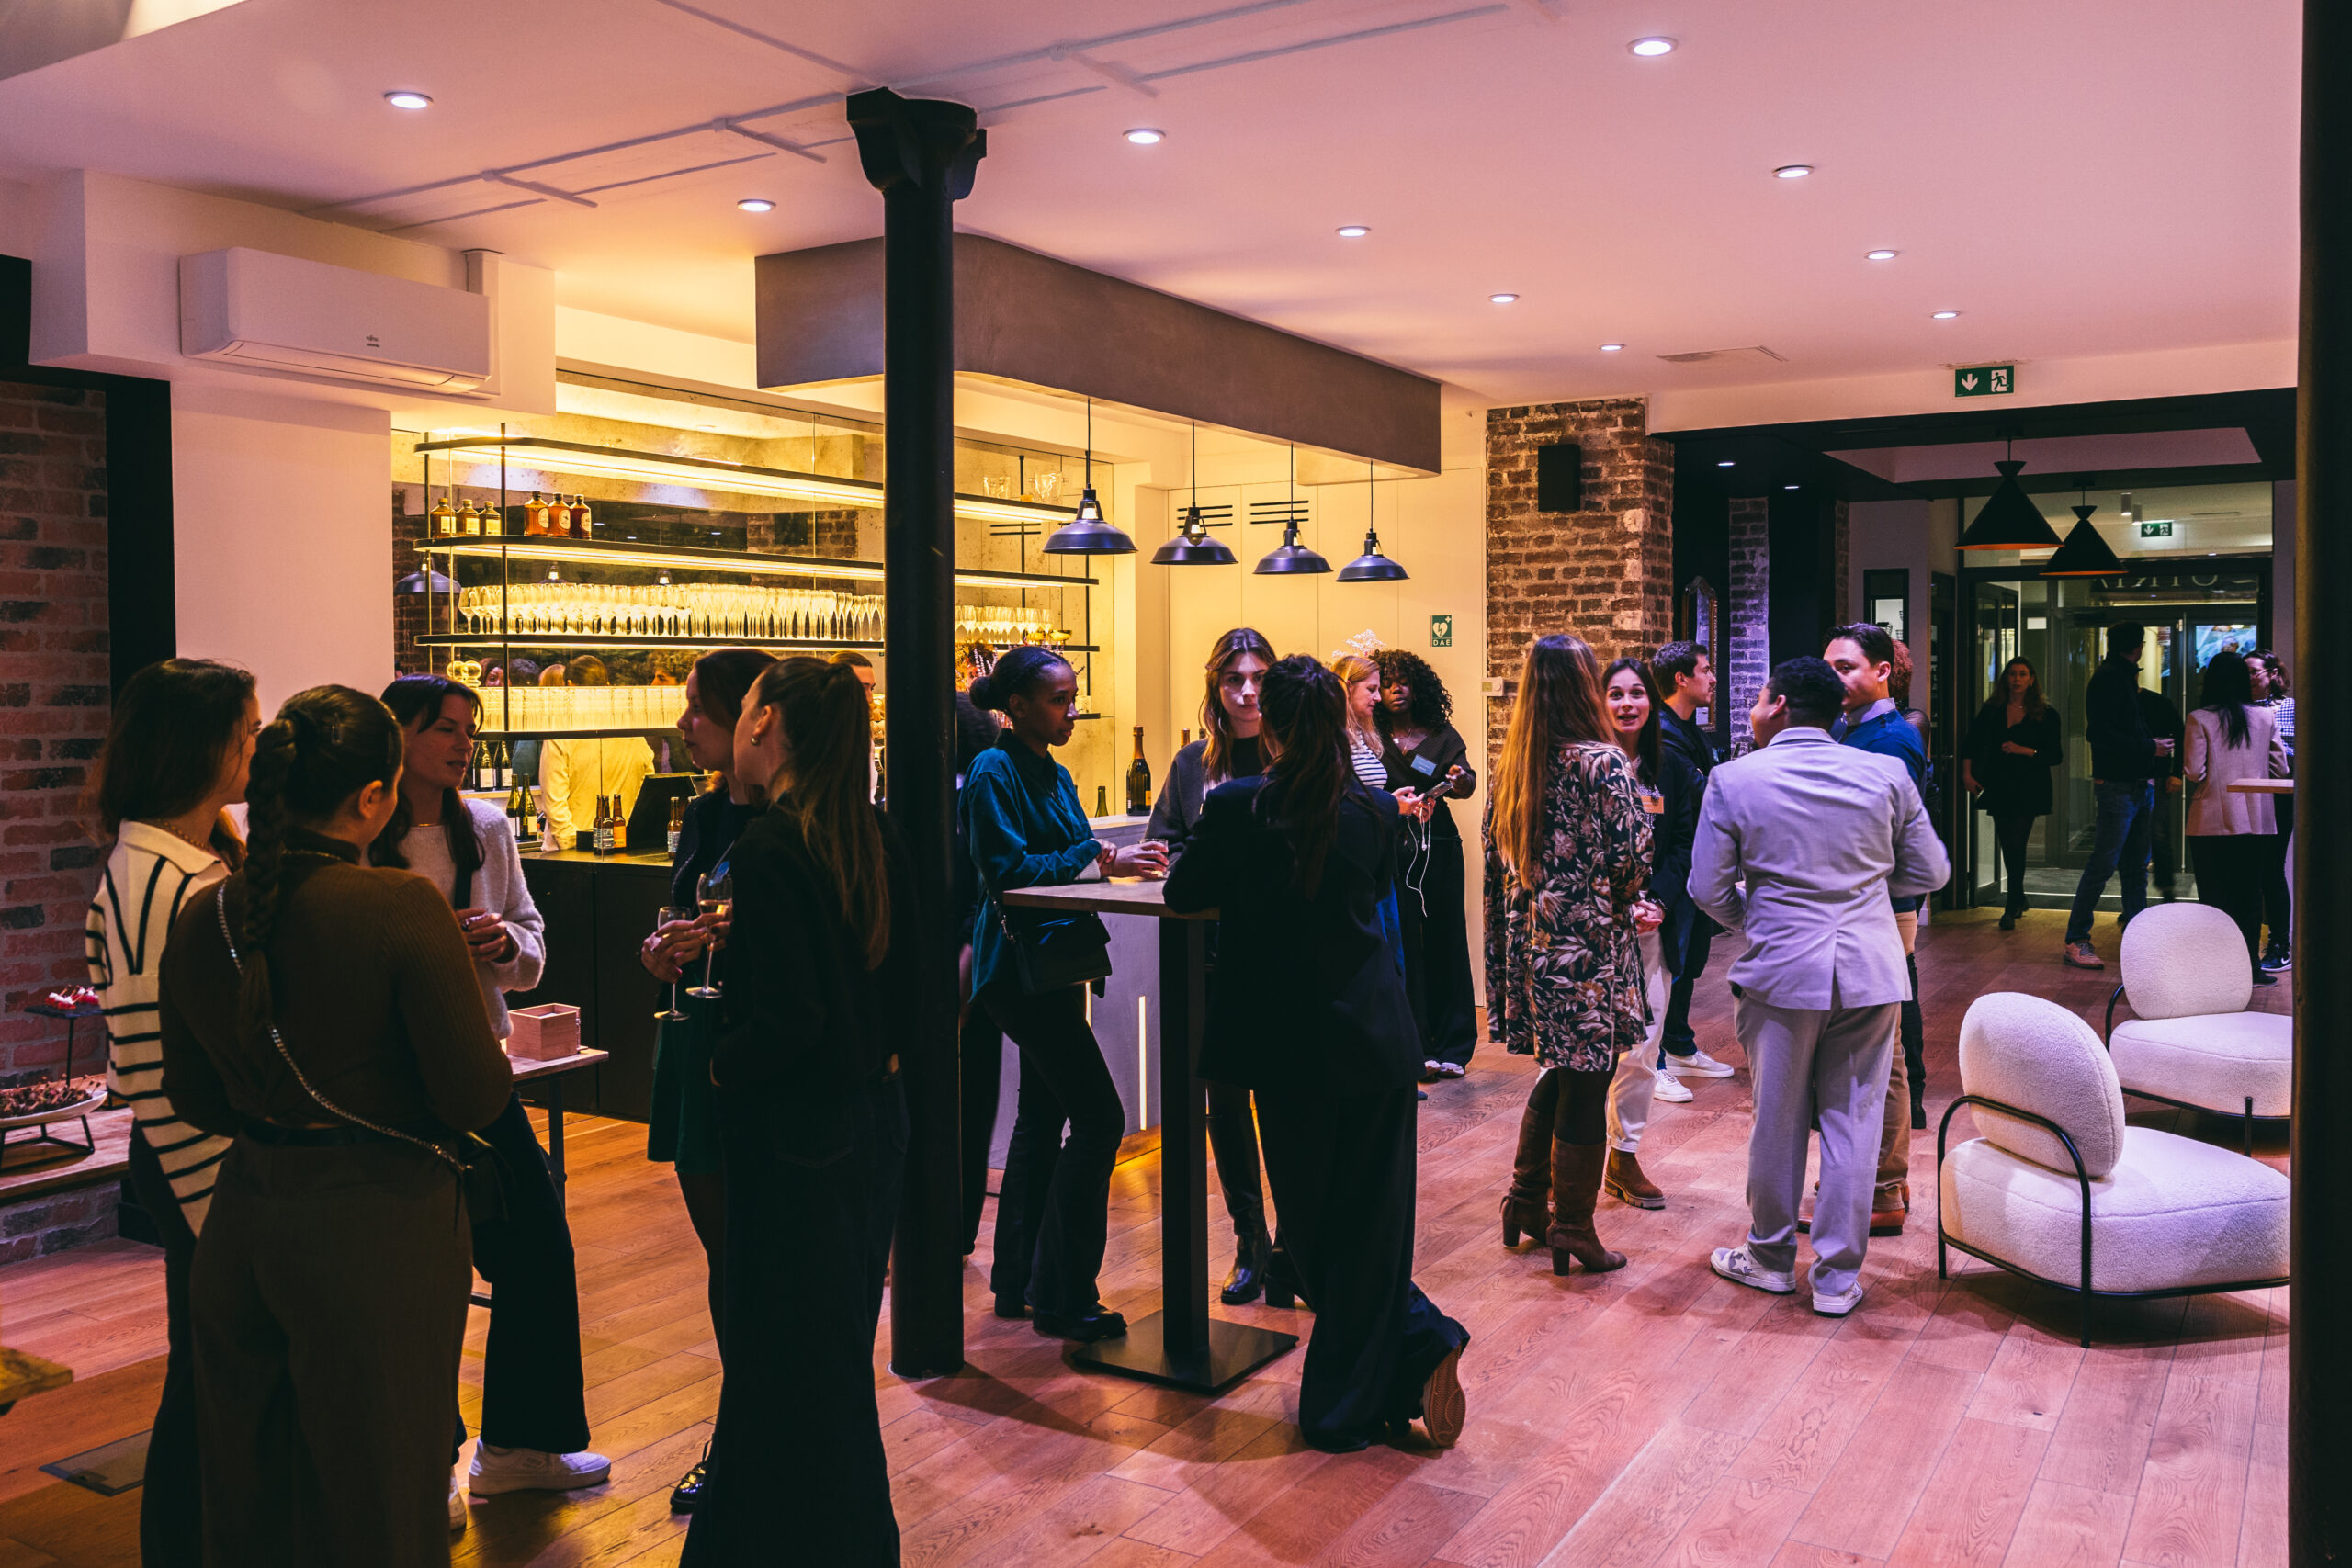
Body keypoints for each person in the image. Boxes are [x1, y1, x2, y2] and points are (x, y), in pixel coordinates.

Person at [157, 685, 513, 1565]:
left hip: (243, 1219)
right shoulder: (399, 907)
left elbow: (193, 1095)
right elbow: (475, 1094)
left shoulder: (205, 912)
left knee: (249, 1489)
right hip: (376, 1221)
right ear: (373, 797)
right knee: (381, 1495)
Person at [1164, 656, 1469, 1454]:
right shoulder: (1370, 808)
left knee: (1307, 1232)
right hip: (1373, 1035)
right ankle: (1411, 1348)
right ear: (1337, 720)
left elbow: (1181, 890)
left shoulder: (1237, 804)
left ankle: (1354, 1397)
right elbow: (1371, 892)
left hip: (1288, 1047)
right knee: (1371, 1221)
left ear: (1270, 722)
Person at [680, 659, 918, 1567]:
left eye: (744, 708)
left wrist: (718, 1065)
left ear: (764, 722)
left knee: (780, 1360)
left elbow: (789, 1020)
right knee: (829, 1357)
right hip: (871, 1121)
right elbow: (912, 995)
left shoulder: (775, 848)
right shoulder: (872, 834)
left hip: (794, 1139)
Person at [372, 676, 607, 1511]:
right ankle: (422, 1464)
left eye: (468, 730)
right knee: (415, 1273)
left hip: (478, 1070)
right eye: (444, 728)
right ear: (397, 735)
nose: (463, 744)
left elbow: (533, 947)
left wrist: (502, 941)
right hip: (390, 1085)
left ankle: (518, 1445)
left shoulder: (487, 826)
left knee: (539, 1247)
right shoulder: (361, 834)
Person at [1691, 658, 1949, 1319]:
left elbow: (1706, 888)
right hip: (1872, 968)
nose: (1753, 708)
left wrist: (1759, 916)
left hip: (1782, 970)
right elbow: (1932, 870)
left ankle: (1771, 1258)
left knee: (1776, 1118)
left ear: (1778, 705)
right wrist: (1863, 895)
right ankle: (1836, 1280)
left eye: (1757, 698)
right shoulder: (1885, 773)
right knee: (1854, 1122)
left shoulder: (1734, 778)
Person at [83, 659, 259, 1568]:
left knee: (203, 1370)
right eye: (248, 731)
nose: (258, 746)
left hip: (188, 1156)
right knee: (209, 1381)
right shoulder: (174, 882)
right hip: (205, 1161)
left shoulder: (155, 861)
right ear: (206, 747)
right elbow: (173, 1069)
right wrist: (221, 1198)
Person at [965, 645, 1168, 1341]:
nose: (1071, 712)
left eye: (1073, 698)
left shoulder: (1052, 772)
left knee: (1041, 1118)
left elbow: (1074, 856)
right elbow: (1009, 870)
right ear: (1017, 706)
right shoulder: (993, 771)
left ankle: (1018, 1282)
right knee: (1101, 1119)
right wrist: (1099, 857)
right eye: (1059, 700)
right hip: (1018, 969)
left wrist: (1112, 859)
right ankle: (1063, 1293)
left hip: (1052, 966)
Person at [637, 648, 775, 1513]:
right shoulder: (702, 813)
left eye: (697, 707)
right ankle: (739, 1438)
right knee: (726, 1258)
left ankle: (748, 1441)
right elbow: (678, 917)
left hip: (756, 1056)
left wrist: (727, 939)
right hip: (697, 1041)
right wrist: (662, 952)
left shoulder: (793, 825)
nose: (684, 723)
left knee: (761, 1261)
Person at [1485, 634, 1655, 1277]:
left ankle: (1526, 1200)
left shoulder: (1513, 764)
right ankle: (1574, 1227)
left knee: (1561, 1071)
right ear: (1585, 685)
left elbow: (1495, 864)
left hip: (1532, 945)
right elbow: (1630, 860)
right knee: (1588, 1080)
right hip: (1587, 952)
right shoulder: (1602, 762)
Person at [1146, 627, 1295, 1305]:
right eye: (1235, 679)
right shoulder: (1190, 765)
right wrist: (1197, 866)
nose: (1248, 691)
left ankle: (1293, 1244)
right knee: (1225, 1104)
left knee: (1286, 1100)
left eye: (1259, 677)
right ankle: (1250, 1240)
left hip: (1282, 953)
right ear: (1216, 686)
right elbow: (1164, 843)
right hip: (1208, 954)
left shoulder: (1295, 757)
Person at [1824, 623, 1934, 1227]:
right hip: (1862, 906)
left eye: (1845, 667)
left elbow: (1882, 837)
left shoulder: (1890, 739)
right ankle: (1876, 1177)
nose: (1834, 678)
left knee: (1879, 1050)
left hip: (1880, 907)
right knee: (1868, 1050)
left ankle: (1884, 1187)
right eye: (1829, 668)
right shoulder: (1851, 727)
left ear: (1883, 671)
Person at [1596, 658, 1701, 1209]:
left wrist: (1656, 900)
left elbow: (1684, 843)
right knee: (1582, 1051)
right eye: (1615, 694)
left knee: (1643, 1045)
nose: (1627, 704)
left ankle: (1623, 1155)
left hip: (1652, 928)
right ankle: (1556, 1163)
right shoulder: (1583, 764)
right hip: (1592, 931)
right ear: (1600, 702)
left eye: (1637, 693)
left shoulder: (1672, 768)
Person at [1373, 649, 1480, 1082]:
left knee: (1445, 938)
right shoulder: (1368, 735)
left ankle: (1454, 1045)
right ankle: (1416, 1045)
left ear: (1418, 688)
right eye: (1386, 683)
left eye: (1403, 681)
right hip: (1389, 844)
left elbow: (1467, 783)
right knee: (1403, 944)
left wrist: (1459, 779)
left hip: (1438, 843)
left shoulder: (1439, 735)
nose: (1395, 689)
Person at [1648, 642, 1736, 1082]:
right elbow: (1704, 795)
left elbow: (1709, 788)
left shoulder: (1689, 731)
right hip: (1673, 864)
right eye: (1705, 670)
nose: (1713, 678)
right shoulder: (1664, 735)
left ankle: (1679, 1044)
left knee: (1690, 959)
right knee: (1670, 962)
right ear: (1681, 679)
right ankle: (1654, 1063)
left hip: (1697, 860)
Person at [2064, 621, 2169, 969]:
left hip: (2132, 783)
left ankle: (2135, 935)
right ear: (2138, 647)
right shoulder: (2112, 678)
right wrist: (2150, 747)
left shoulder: (2115, 675)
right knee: (2106, 864)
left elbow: (2107, 732)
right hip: (2120, 785)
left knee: (2131, 865)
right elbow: (2101, 734)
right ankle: (2077, 938)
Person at [2184, 650, 2290, 984]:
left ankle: (2218, 971)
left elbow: (2193, 771)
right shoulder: (2265, 717)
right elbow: (2280, 769)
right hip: (2258, 819)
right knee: (2249, 897)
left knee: (2215, 900)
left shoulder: (2199, 718)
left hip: (2210, 819)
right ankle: (2250, 969)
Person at [955, 690, 1006, 1256]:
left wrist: (968, 944)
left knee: (960, 1097)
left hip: (966, 953)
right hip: (973, 951)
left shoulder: (973, 782)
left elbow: (985, 873)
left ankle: (948, 1228)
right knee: (972, 1096)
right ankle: (958, 1228)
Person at [1962, 658, 2063, 930]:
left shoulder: (2046, 714)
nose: (2017, 679)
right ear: (2006, 678)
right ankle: (2018, 895)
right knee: (2008, 842)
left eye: (2023, 674)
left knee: (2017, 841)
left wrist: (2025, 750)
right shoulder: (1993, 709)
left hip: (2030, 785)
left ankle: (2011, 903)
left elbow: (2055, 755)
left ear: (2032, 679)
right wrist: (1967, 774)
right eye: (2012, 674)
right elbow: (1972, 742)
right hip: (2000, 783)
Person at [538, 656, 655, 849]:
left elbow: (554, 800)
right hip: (620, 843)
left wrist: (572, 843)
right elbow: (647, 783)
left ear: (570, 686)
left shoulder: (561, 732)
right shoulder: (630, 730)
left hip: (570, 851)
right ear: (607, 684)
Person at [2245, 649, 2295, 970]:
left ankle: (2279, 944)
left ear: (2273, 674)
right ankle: (2244, 945)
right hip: (2244, 793)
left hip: (2278, 796)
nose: (2249, 678)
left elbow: (2299, 752)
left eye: (2254, 672)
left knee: (2272, 870)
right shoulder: (2238, 708)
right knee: (2247, 871)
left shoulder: (2289, 707)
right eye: (2245, 672)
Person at [2137, 684, 2186, 901]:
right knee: (2151, 834)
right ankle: (2146, 894)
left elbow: (2180, 734)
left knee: (2157, 834)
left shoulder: (2157, 702)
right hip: (2138, 775)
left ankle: (2166, 889)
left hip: (2154, 775)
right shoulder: (2124, 700)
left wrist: (2176, 772)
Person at [1332, 652, 1391, 790]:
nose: (1378, 698)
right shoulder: (1329, 735)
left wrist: (1392, 800)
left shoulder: (1361, 734)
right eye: (1371, 689)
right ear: (1348, 687)